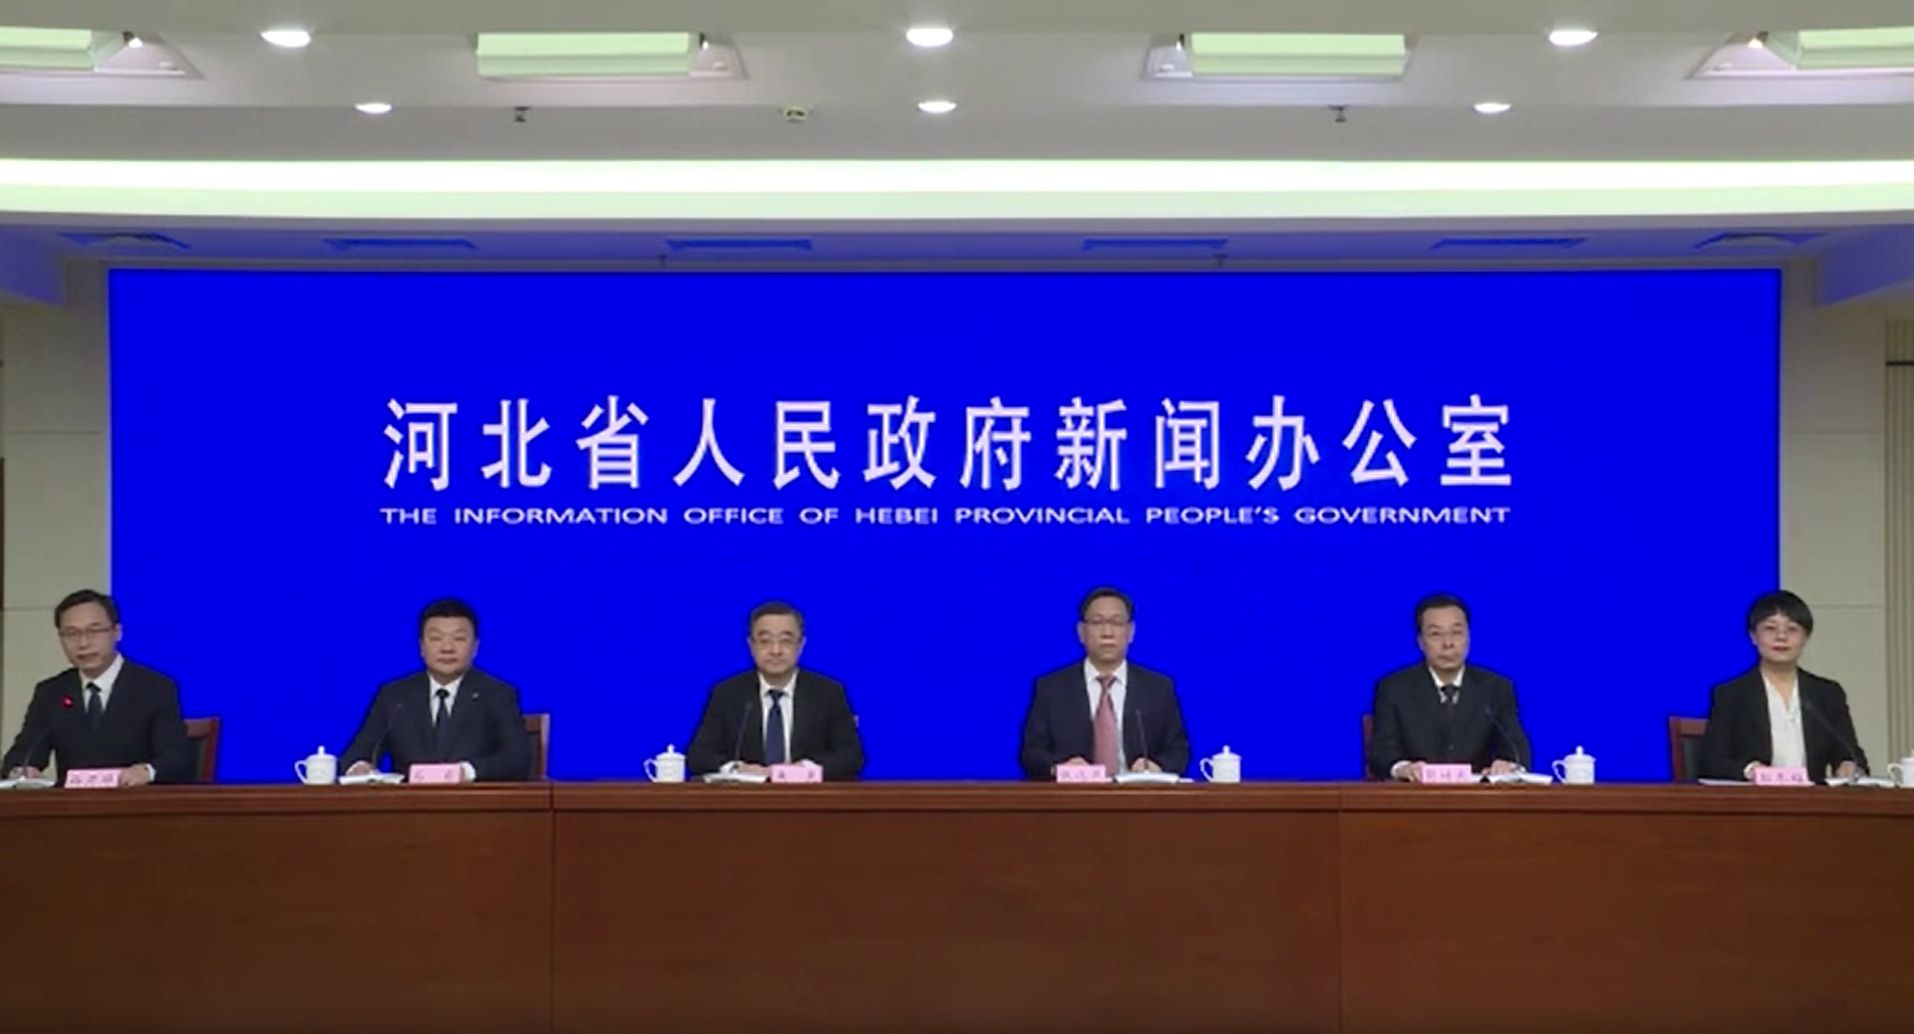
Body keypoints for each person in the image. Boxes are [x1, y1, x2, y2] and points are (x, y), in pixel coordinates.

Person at [2, 589, 191, 786]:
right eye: (71, 633)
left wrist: (147, 771)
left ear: (117, 632)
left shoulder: (155, 688)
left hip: (134, 800)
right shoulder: (51, 692)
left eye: (94, 631)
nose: (83, 643)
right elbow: (21, 755)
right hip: (71, 803)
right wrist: (21, 770)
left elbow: (176, 758)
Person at [342, 598, 531, 782]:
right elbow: (355, 754)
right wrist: (359, 766)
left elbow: (517, 759)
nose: (447, 648)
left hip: (472, 800)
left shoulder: (498, 694)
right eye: (436, 638)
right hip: (409, 801)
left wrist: (465, 772)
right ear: (421, 646)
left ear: (475, 647)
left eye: (458, 639)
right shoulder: (394, 696)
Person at [1020, 587, 1190, 780]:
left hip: (1137, 793)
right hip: (1075, 794)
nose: (1107, 632)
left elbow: (1179, 750)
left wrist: (1156, 767)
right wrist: (1060, 768)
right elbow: (1031, 753)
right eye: (1097, 622)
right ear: (1081, 632)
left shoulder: (1158, 688)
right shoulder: (1051, 688)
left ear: (1131, 632)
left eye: (1116, 622)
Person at [1699, 591, 1867, 782]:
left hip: (1813, 797)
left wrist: (1848, 764)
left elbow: (1852, 753)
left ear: (1805, 638)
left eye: (1792, 629)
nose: (1781, 636)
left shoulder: (1826, 694)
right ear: (1753, 636)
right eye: (1770, 628)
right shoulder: (1731, 694)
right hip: (1755, 797)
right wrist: (1750, 770)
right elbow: (1710, 762)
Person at [686, 601, 864, 780]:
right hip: (747, 796)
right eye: (765, 641)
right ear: (751, 645)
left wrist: (795, 772)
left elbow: (851, 757)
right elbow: (698, 756)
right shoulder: (727, 694)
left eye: (786, 641)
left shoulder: (829, 693)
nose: (775, 650)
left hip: (807, 795)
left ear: (801, 645)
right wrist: (736, 769)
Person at [1367, 593, 1530, 781]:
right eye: (1436, 634)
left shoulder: (1496, 688)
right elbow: (1381, 755)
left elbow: (1517, 749)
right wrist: (1404, 768)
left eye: (1456, 633)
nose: (1448, 644)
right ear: (1420, 642)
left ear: (1468, 637)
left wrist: (1508, 764)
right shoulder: (1394, 689)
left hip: (1478, 796)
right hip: (1416, 794)